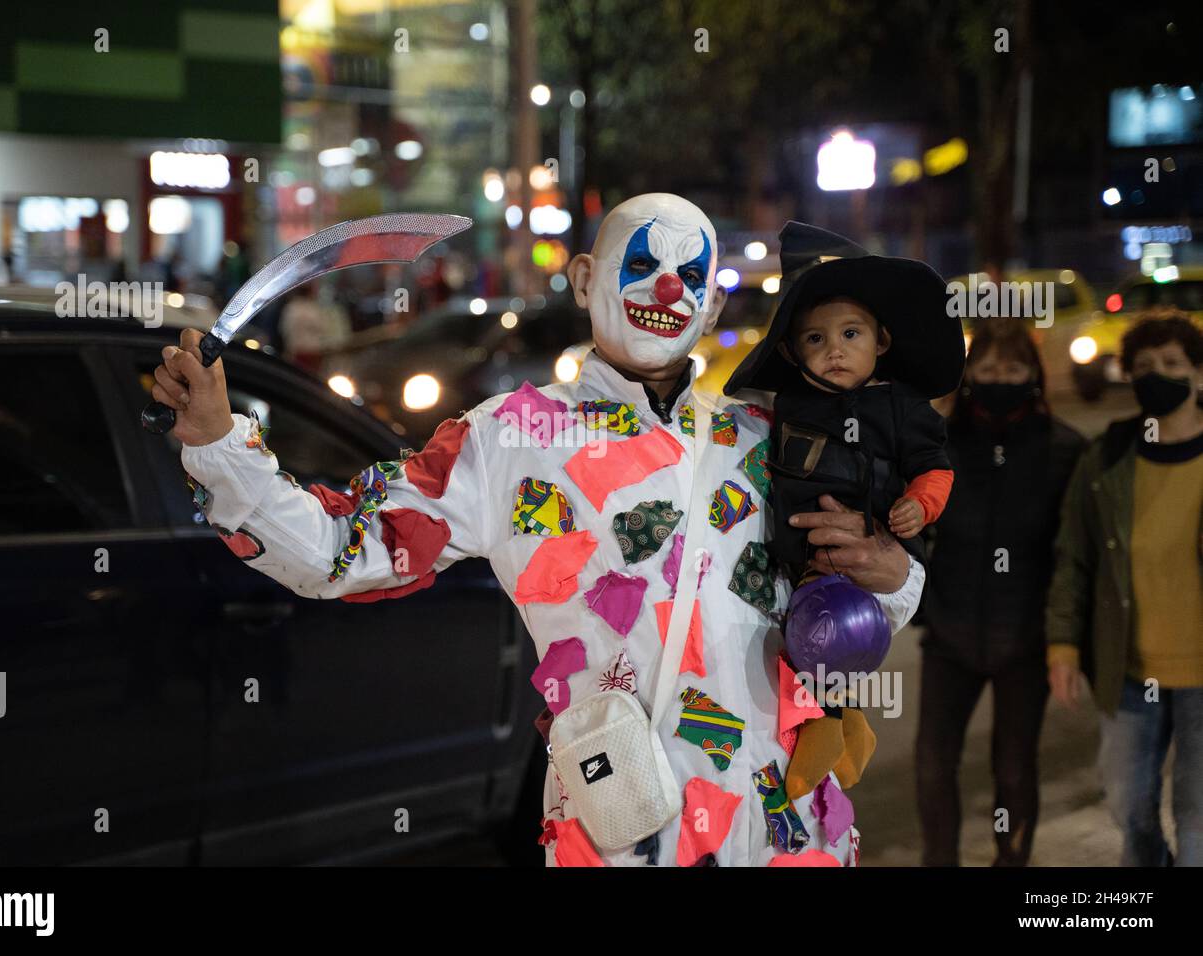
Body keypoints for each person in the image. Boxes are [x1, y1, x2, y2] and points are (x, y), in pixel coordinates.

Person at [152, 193, 925, 867]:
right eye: (643, 264)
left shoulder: (763, 438)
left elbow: (849, 597)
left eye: (691, 277)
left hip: (786, 826)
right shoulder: (509, 441)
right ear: (587, 280)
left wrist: (899, 580)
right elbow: (337, 550)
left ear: (714, 309)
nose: (667, 290)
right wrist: (222, 445)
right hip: (626, 830)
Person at [721, 221, 964, 799]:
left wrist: (918, 506)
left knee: (831, 641)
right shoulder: (778, 411)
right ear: (788, 350)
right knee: (804, 640)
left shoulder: (902, 407)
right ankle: (838, 727)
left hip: (869, 550)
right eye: (814, 340)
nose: (834, 350)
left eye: (851, 333)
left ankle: (828, 732)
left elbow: (937, 466)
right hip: (794, 557)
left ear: (881, 342)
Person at [916, 318, 1086, 866]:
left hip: (1025, 639)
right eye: (988, 368)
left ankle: (1011, 862)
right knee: (933, 764)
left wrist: (1066, 637)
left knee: (1014, 768)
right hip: (949, 632)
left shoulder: (1065, 450)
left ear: (1033, 377)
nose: (1000, 378)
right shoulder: (936, 444)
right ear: (969, 376)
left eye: (1013, 369)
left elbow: (1073, 552)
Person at [1046, 309, 1203, 867]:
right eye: (1144, 366)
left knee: (1196, 817)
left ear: (1199, 374)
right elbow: (1074, 560)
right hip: (1131, 671)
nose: (1158, 374)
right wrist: (1063, 647)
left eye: (1172, 363)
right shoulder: (1107, 459)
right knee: (1129, 805)